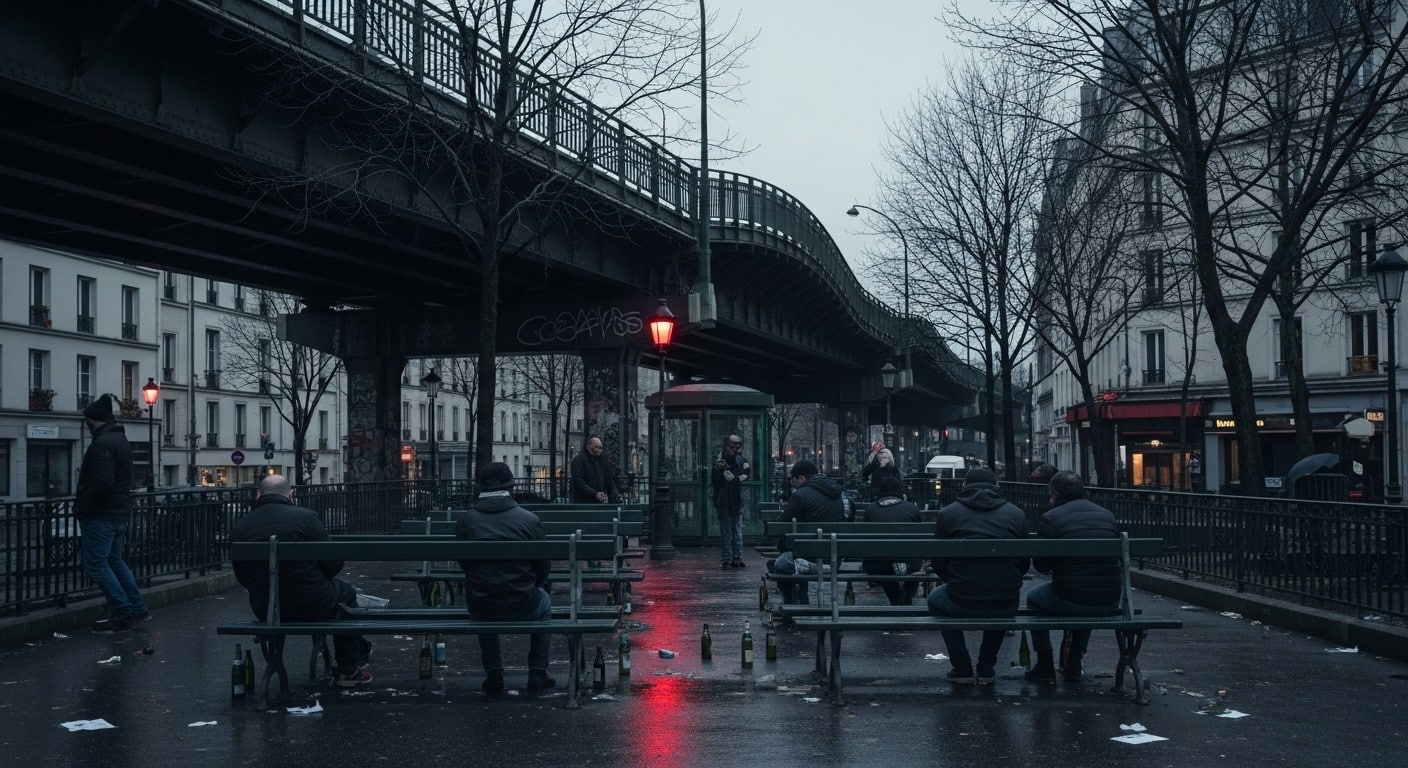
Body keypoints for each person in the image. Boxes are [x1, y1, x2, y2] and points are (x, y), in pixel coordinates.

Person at [230, 474, 372, 687]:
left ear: (258, 495)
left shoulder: (240, 527)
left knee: (339, 595)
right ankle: (348, 669)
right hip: (312, 603)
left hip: (265, 607)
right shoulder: (306, 518)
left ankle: (356, 654)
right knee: (346, 594)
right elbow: (333, 564)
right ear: (291, 495)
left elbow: (243, 577)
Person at [455, 462, 556, 694]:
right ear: (511, 487)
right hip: (523, 601)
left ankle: (494, 673)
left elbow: (466, 565)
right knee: (545, 605)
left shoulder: (466, 522)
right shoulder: (529, 520)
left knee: (482, 602)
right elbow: (543, 566)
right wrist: (534, 584)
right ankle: (537, 672)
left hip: (481, 602)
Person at [926, 466, 1029, 685]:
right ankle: (986, 667)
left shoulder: (948, 513)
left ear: (964, 487)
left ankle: (962, 666)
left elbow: (938, 561)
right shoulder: (1016, 514)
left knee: (935, 600)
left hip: (960, 596)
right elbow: (1024, 563)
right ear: (996, 486)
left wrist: (952, 580)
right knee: (1004, 601)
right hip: (1004, 598)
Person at [1024, 470, 1122, 683]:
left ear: (1056, 494)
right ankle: (1074, 661)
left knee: (1034, 599)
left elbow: (1041, 566)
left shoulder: (1051, 518)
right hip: (1109, 599)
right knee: (1088, 593)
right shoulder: (1106, 515)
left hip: (1070, 597)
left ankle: (1045, 662)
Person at [75, 393, 149, 633]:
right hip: (119, 512)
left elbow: (103, 483)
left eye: (87, 421)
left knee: (96, 564)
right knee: (115, 561)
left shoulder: (102, 444)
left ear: (94, 421)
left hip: (101, 514)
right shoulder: (120, 441)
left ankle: (122, 611)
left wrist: (84, 507)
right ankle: (137, 609)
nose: (85, 425)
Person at [770, 460, 846, 605]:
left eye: (794, 480)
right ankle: (801, 599)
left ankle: (793, 603)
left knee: (781, 563)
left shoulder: (801, 495)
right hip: (833, 559)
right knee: (800, 551)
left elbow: (782, 523)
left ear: (802, 478)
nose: (794, 484)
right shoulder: (837, 494)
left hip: (808, 559)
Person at [861, 476, 923, 605]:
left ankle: (896, 598)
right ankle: (906, 596)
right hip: (909, 562)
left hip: (877, 563)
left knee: (882, 564)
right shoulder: (911, 508)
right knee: (914, 564)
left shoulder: (870, 510)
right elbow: (920, 536)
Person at [711, 434, 751, 569]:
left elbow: (745, 475)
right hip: (728, 499)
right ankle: (732, 556)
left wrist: (733, 478)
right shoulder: (724, 460)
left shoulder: (732, 459)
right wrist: (719, 470)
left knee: (732, 528)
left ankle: (733, 556)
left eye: (737, 445)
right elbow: (716, 479)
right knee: (732, 528)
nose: (734, 448)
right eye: (732, 445)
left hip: (732, 499)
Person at [570, 436, 620, 504]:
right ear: (589, 447)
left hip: (599, 499)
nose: (600, 450)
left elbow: (608, 479)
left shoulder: (603, 459)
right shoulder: (578, 460)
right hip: (583, 501)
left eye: (601, 447)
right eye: (597, 447)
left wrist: (615, 494)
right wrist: (595, 493)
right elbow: (578, 482)